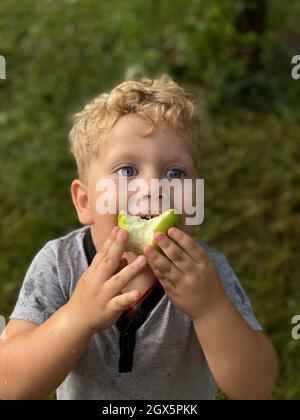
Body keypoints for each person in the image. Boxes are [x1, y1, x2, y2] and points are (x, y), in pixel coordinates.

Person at [0, 75, 278, 400]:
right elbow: (10, 385)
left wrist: (211, 308)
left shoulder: (207, 275)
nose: (153, 186)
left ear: (194, 202)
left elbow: (256, 387)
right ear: (86, 202)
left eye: (175, 173)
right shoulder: (60, 265)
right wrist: (76, 317)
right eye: (127, 170)